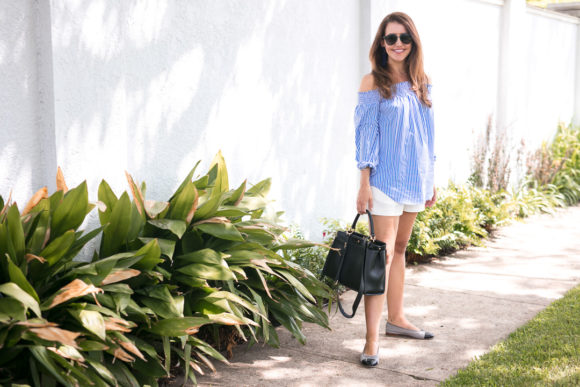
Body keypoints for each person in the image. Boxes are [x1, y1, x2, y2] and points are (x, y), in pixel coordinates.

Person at [354, 12, 436, 367]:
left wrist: (430, 178)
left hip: (415, 179)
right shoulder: (373, 82)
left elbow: (428, 136)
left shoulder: (423, 83)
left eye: (405, 38)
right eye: (391, 38)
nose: (398, 44)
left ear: (413, 42)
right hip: (384, 182)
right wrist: (364, 183)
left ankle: (397, 320)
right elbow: (365, 134)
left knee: (401, 249)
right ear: (382, 44)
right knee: (381, 257)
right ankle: (371, 340)